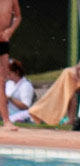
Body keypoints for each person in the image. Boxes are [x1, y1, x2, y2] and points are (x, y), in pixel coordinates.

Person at [29, 16, 80, 125]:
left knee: (68, 74)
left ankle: (45, 112)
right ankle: (69, 120)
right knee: (69, 84)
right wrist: (76, 70)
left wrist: (76, 72)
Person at [0, 0, 22, 132]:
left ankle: (6, 120)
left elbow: (18, 16)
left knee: (2, 80)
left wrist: (10, 31)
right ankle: (6, 120)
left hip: (3, 40)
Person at [4, 58, 31, 123]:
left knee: (10, 119)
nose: (7, 76)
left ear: (17, 72)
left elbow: (25, 106)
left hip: (21, 113)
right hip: (8, 112)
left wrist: (10, 98)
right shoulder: (9, 83)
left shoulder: (25, 85)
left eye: (9, 74)